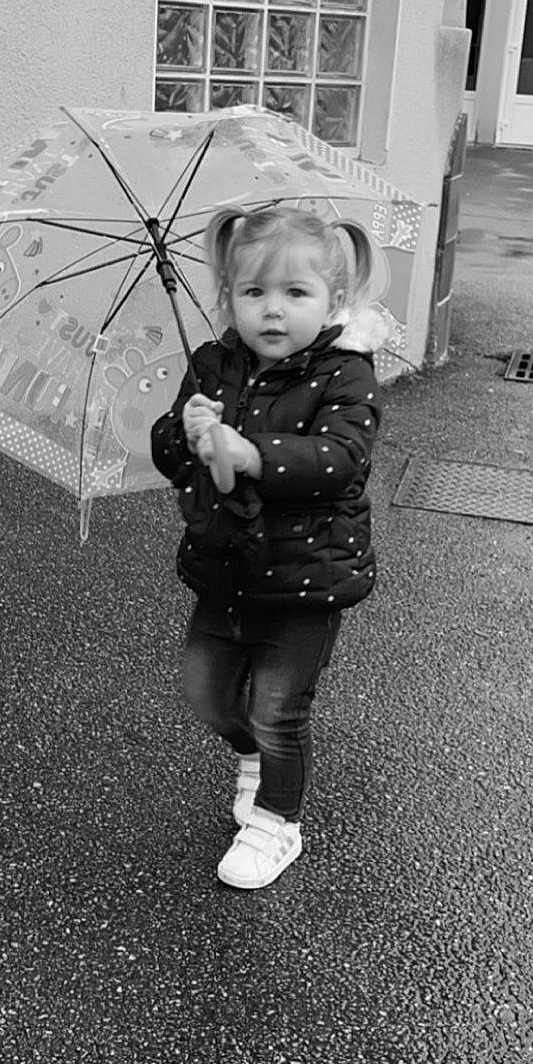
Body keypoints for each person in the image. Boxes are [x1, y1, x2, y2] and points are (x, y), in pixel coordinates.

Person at [150, 203, 388, 891]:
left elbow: (339, 459)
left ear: (333, 299)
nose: (272, 311)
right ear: (229, 296)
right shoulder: (213, 364)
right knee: (208, 699)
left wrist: (251, 452)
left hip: (305, 580)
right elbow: (169, 456)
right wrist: (187, 433)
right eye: (254, 292)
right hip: (226, 567)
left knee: (278, 710)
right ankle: (252, 758)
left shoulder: (345, 375)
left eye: (295, 293)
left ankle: (275, 824)